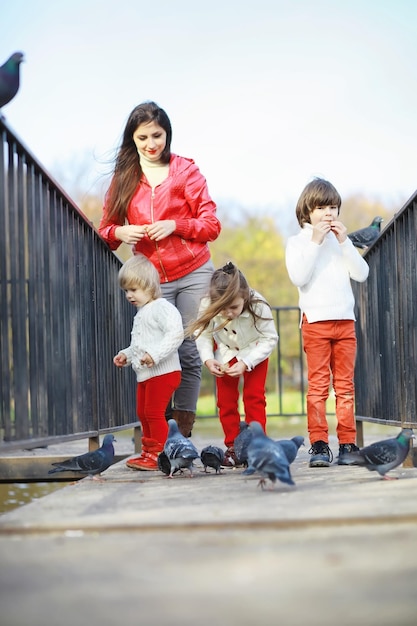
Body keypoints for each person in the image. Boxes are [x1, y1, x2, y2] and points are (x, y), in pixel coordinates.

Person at [99, 101, 221, 438]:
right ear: (132, 139)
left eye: (157, 135)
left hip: (194, 271)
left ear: (167, 134)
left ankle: (181, 434)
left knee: (186, 349)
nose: (151, 143)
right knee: (153, 352)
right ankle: (159, 430)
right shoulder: (124, 178)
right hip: (151, 281)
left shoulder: (186, 172)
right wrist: (119, 232)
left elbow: (211, 225)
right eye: (143, 137)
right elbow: (104, 232)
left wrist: (175, 225)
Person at [285, 177, 369, 468]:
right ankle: (319, 444)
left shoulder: (340, 242)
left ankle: (347, 443)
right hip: (316, 323)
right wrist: (316, 241)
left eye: (333, 207)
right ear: (307, 211)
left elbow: (361, 273)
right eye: (321, 208)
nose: (328, 213)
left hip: (345, 321)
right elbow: (299, 276)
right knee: (318, 387)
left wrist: (344, 241)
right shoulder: (297, 243)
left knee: (345, 387)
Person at [189, 262, 278, 467]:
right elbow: (202, 335)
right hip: (226, 353)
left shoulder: (259, 304)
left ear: (245, 297)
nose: (228, 313)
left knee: (254, 397)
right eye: (222, 309)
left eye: (234, 307)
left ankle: (258, 445)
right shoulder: (207, 304)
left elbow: (270, 338)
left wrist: (247, 363)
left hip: (255, 352)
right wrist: (208, 359)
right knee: (225, 401)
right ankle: (233, 446)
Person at [113, 254, 184, 471]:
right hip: (147, 373)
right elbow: (140, 345)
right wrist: (126, 355)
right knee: (143, 413)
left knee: (153, 413)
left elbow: (175, 334)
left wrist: (154, 354)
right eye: (126, 291)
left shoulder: (161, 307)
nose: (129, 295)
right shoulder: (143, 312)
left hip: (164, 371)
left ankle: (160, 454)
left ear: (149, 286)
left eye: (134, 290)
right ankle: (148, 451)